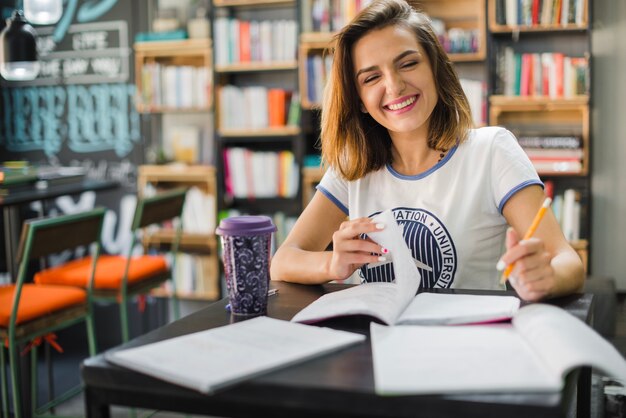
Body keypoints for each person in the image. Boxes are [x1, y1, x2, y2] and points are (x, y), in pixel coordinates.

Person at [270, 0, 584, 301]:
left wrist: (546, 276)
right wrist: (332, 265)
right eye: (372, 77)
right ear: (359, 101)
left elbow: (567, 261)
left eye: (408, 63)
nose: (394, 86)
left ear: (435, 68)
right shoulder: (352, 168)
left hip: (463, 344)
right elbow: (283, 260)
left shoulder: (492, 151)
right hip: (373, 344)